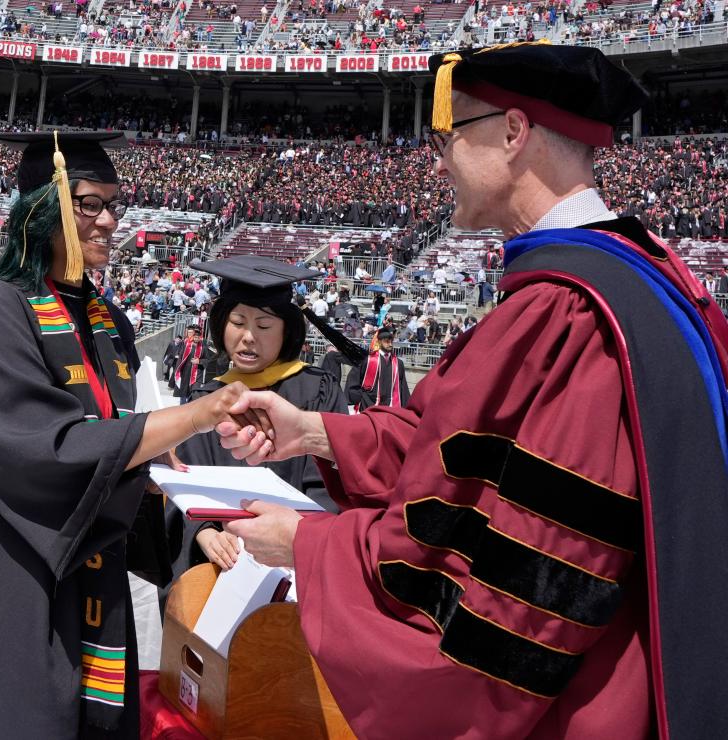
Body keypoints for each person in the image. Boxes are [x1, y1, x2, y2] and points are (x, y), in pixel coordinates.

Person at [214, 44, 728, 739]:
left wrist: (308, 544)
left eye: (448, 137)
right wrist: (313, 432)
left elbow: (513, 587)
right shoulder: (654, 282)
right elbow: (457, 450)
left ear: (514, 133)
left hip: (588, 704)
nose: (437, 160)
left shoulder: (565, 317)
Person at [0, 131, 257, 739]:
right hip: (3, 566)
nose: (109, 220)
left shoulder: (111, 324)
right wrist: (191, 416)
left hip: (89, 569)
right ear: (42, 207)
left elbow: (113, 444)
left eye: (114, 204)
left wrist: (169, 488)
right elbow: (39, 448)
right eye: (89, 203)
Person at [167, 256, 347, 575]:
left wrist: (299, 536)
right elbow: (184, 485)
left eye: (264, 326)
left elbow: (331, 484)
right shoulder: (205, 398)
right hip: (222, 568)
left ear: (287, 332)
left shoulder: (317, 390)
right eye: (238, 323)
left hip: (297, 559)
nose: (249, 336)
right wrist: (204, 532)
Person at [345, 326, 410, 410]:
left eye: (391, 341)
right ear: (379, 342)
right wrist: (360, 397)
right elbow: (353, 379)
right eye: (386, 342)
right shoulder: (367, 360)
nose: (390, 344)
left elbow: (402, 386)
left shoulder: (398, 363)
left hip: (390, 406)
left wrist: (406, 407)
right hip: (368, 405)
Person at [172, 324, 213, 402]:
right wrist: (177, 370)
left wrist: (199, 361)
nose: (196, 338)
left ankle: (191, 409)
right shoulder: (186, 346)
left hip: (197, 375)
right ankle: (183, 408)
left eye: (198, 337)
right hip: (185, 374)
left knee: (194, 394)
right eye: (195, 337)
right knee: (183, 393)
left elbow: (208, 360)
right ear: (192, 337)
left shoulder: (203, 348)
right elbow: (180, 358)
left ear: (200, 338)